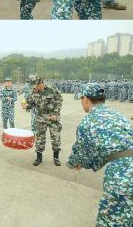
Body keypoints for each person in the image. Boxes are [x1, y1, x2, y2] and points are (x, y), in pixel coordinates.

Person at [67, 83, 133, 227]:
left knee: (112, 220)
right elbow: (106, 151)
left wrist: (74, 163)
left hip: (123, 174)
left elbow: (81, 153)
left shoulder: (88, 122)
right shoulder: (117, 115)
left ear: (85, 99)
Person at [23, 74, 63, 166]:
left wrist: (55, 113)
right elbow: (31, 104)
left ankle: (56, 158)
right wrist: (26, 106)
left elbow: (59, 99)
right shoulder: (33, 91)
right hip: (41, 118)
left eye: (35, 86)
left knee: (56, 138)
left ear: (40, 83)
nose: (34, 88)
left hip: (53, 118)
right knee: (40, 138)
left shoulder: (51, 88)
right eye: (32, 86)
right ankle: (39, 157)